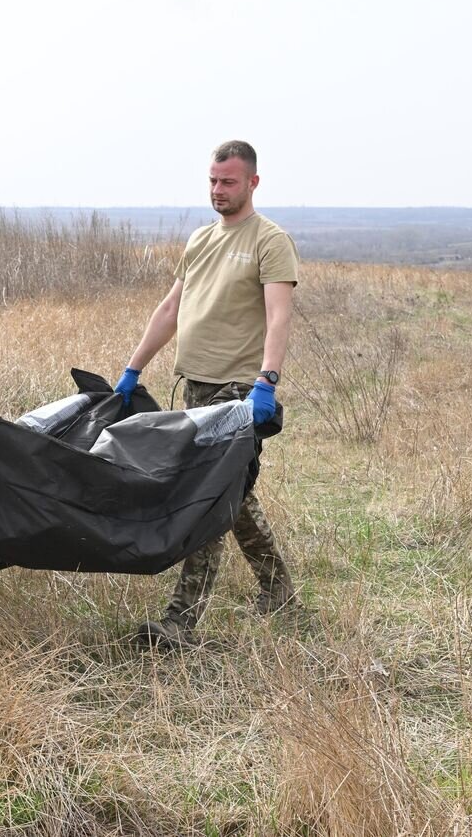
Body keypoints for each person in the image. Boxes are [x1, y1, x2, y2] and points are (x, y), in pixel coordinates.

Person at [114, 140, 300, 648]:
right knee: (232, 494)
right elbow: (171, 309)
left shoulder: (269, 240)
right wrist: (132, 370)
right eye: (213, 181)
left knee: (208, 495)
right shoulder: (199, 240)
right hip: (195, 386)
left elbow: (280, 314)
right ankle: (278, 588)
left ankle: (180, 621)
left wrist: (267, 381)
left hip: (240, 390)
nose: (219, 190)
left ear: (253, 183)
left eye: (229, 182)